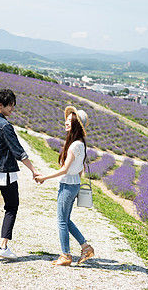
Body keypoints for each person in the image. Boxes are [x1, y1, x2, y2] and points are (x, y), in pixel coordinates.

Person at [0, 88, 40, 262]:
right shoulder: (5, 125)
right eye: (10, 105)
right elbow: (18, 151)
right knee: (11, 206)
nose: (13, 108)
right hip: (4, 174)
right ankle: (3, 246)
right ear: (1, 105)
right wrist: (33, 170)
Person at [35, 106, 95, 266]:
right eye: (67, 120)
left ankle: (65, 255)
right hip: (74, 185)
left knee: (62, 221)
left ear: (76, 125)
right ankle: (86, 247)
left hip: (67, 186)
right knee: (66, 220)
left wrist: (44, 178)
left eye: (70, 121)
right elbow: (80, 169)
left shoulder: (75, 145)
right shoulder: (81, 144)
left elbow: (65, 169)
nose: (66, 122)